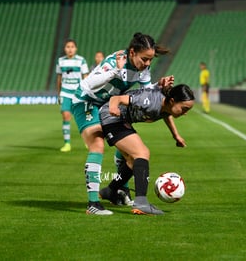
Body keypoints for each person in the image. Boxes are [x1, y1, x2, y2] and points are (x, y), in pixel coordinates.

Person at [71, 32, 182, 215]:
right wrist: (115, 71)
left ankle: (117, 190)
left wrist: (157, 86)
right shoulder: (115, 62)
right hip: (86, 101)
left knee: (130, 152)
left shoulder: (143, 69)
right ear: (132, 52)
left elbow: (146, 93)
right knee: (97, 144)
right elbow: (89, 84)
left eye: (150, 60)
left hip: (108, 105)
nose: (147, 64)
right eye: (144, 59)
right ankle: (93, 204)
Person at [99, 84, 195, 215]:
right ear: (172, 101)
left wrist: (176, 135)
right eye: (184, 109)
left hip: (123, 121)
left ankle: (110, 191)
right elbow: (116, 99)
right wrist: (113, 108)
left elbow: (166, 114)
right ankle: (141, 203)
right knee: (142, 153)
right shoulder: (149, 101)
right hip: (112, 118)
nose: (185, 113)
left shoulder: (167, 105)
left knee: (133, 162)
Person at [56, 39, 89, 152]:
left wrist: (87, 93)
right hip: (65, 92)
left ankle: (87, 141)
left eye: (72, 47)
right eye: (67, 47)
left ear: (76, 48)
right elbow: (59, 78)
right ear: (65, 49)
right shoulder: (60, 61)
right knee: (66, 116)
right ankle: (67, 144)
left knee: (82, 118)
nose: (70, 49)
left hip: (78, 93)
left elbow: (86, 77)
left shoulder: (81, 61)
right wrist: (59, 94)